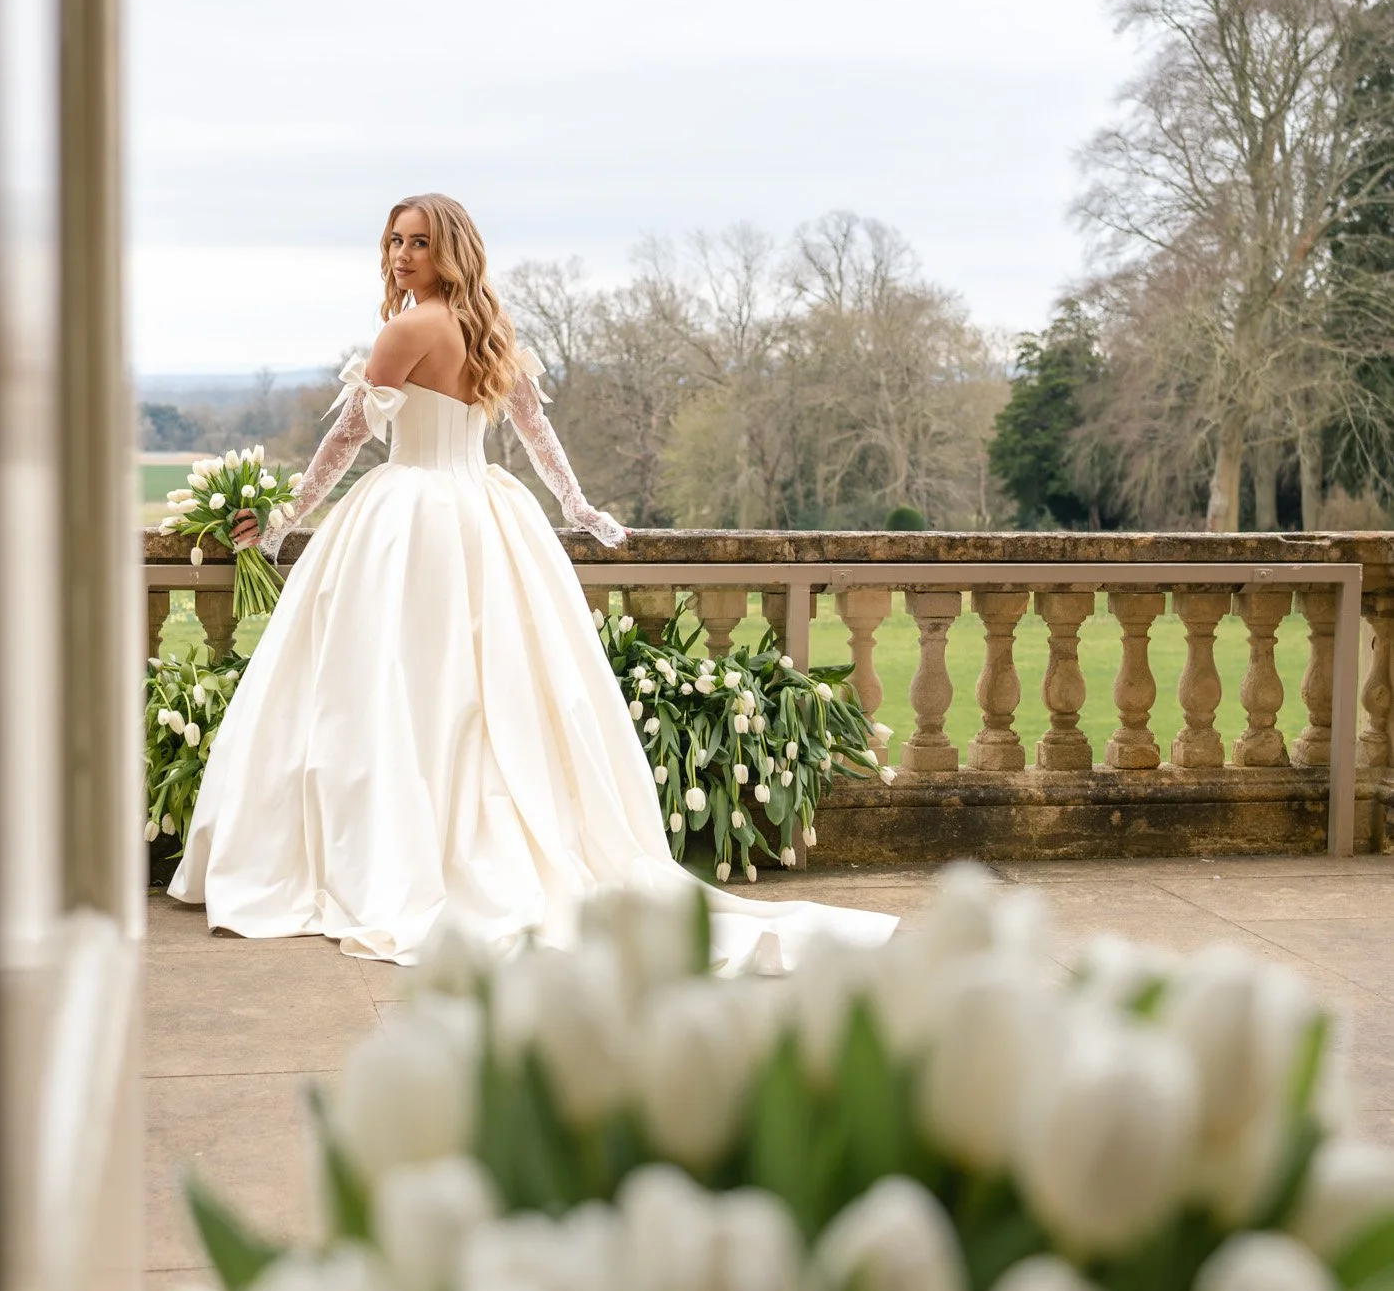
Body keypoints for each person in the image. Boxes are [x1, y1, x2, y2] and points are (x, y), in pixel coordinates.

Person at [169, 195, 892, 969]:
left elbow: (347, 442)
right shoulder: (490, 330)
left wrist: (278, 523)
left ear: (451, 251)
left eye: (417, 243)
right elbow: (535, 433)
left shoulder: (405, 330)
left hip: (409, 512)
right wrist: (576, 506)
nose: (400, 256)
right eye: (393, 242)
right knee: (483, 687)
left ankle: (393, 849)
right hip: (484, 512)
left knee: (392, 679)